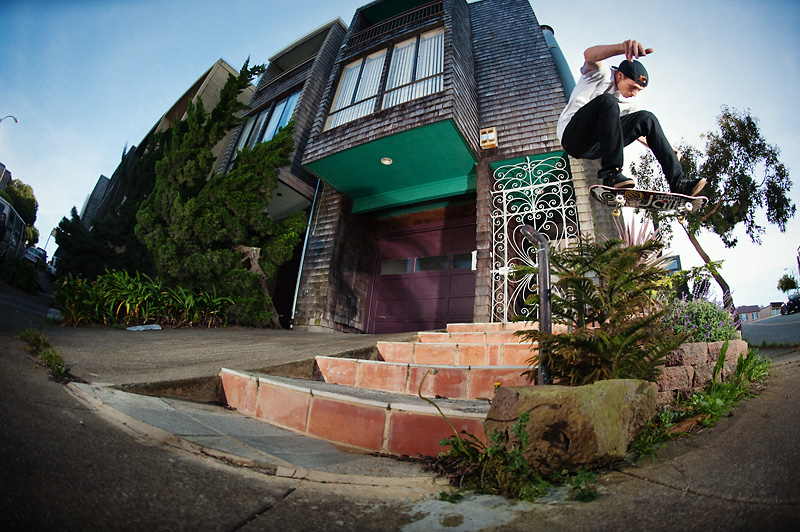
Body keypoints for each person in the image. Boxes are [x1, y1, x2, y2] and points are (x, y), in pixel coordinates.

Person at [557, 39, 706, 196]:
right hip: (572, 136)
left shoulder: (629, 103)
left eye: (639, 91)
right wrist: (622, 48)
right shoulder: (601, 73)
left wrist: (666, 149)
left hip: (597, 145)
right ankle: (611, 174)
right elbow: (589, 55)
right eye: (633, 87)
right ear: (620, 75)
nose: (634, 94)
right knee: (608, 102)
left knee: (647, 118)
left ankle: (678, 183)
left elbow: (634, 132)